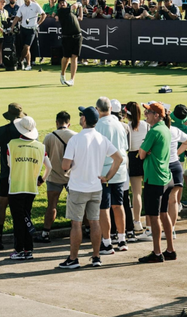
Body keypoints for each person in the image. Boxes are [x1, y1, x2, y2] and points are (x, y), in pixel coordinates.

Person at [57, 105, 123, 270]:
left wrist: (71, 163)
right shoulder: (102, 138)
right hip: (96, 187)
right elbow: (119, 159)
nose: (80, 117)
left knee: (76, 224)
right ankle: (96, 256)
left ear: (84, 119)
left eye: (81, 115)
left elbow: (65, 165)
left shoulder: (75, 139)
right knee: (95, 222)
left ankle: (73, 258)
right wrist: (107, 177)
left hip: (78, 187)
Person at [5, 114, 50, 261]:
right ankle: (28, 250)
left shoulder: (11, 144)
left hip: (16, 187)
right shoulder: (40, 146)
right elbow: (49, 167)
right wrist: (42, 179)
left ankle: (20, 250)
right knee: (26, 217)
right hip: (31, 188)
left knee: (19, 220)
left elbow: (9, 164)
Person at [136, 102, 176, 263]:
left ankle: (157, 252)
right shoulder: (165, 129)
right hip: (166, 177)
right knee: (163, 213)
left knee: (153, 216)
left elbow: (141, 154)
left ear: (157, 115)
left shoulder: (154, 131)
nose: (145, 114)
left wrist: (144, 150)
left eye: (148, 112)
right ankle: (170, 249)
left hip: (154, 178)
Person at [93, 97, 129, 253]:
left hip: (104, 172)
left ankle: (107, 242)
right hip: (119, 171)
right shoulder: (119, 124)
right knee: (118, 205)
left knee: (104, 208)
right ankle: (122, 239)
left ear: (97, 109)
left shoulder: (98, 126)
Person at [0, 103, 25, 250]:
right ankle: (21, 239)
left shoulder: (1, 131)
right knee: (21, 208)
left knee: (2, 206)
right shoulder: (27, 132)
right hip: (22, 176)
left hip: (6, 174)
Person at [38, 110, 76, 243]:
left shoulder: (49, 137)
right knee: (77, 205)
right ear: (69, 124)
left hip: (54, 177)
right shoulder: (75, 136)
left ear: (56, 122)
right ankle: (85, 230)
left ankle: (45, 233)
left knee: (51, 205)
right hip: (72, 177)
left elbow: (43, 157)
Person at [123, 101, 148, 240]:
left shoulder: (127, 127)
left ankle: (137, 221)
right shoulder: (146, 125)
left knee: (136, 192)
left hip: (133, 157)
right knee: (147, 190)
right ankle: (146, 221)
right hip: (145, 156)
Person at [56, 0, 81, 86]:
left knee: (74, 57)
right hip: (67, 37)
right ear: (59, 5)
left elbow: (80, 17)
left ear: (66, 3)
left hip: (78, 36)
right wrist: (78, 3)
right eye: (60, 3)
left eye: (63, 2)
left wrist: (80, 7)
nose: (62, 4)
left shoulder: (70, 12)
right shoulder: (61, 12)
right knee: (66, 57)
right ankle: (62, 74)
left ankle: (72, 79)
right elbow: (74, 6)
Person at [16, 0, 44, 71]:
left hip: (32, 29)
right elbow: (17, 17)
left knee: (27, 46)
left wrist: (38, 24)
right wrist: (12, 27)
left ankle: (20, 60)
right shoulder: (22, 7)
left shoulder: (35, 5)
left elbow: (43, 14)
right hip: (23, 28)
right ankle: (28, 65)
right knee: (26, 48)